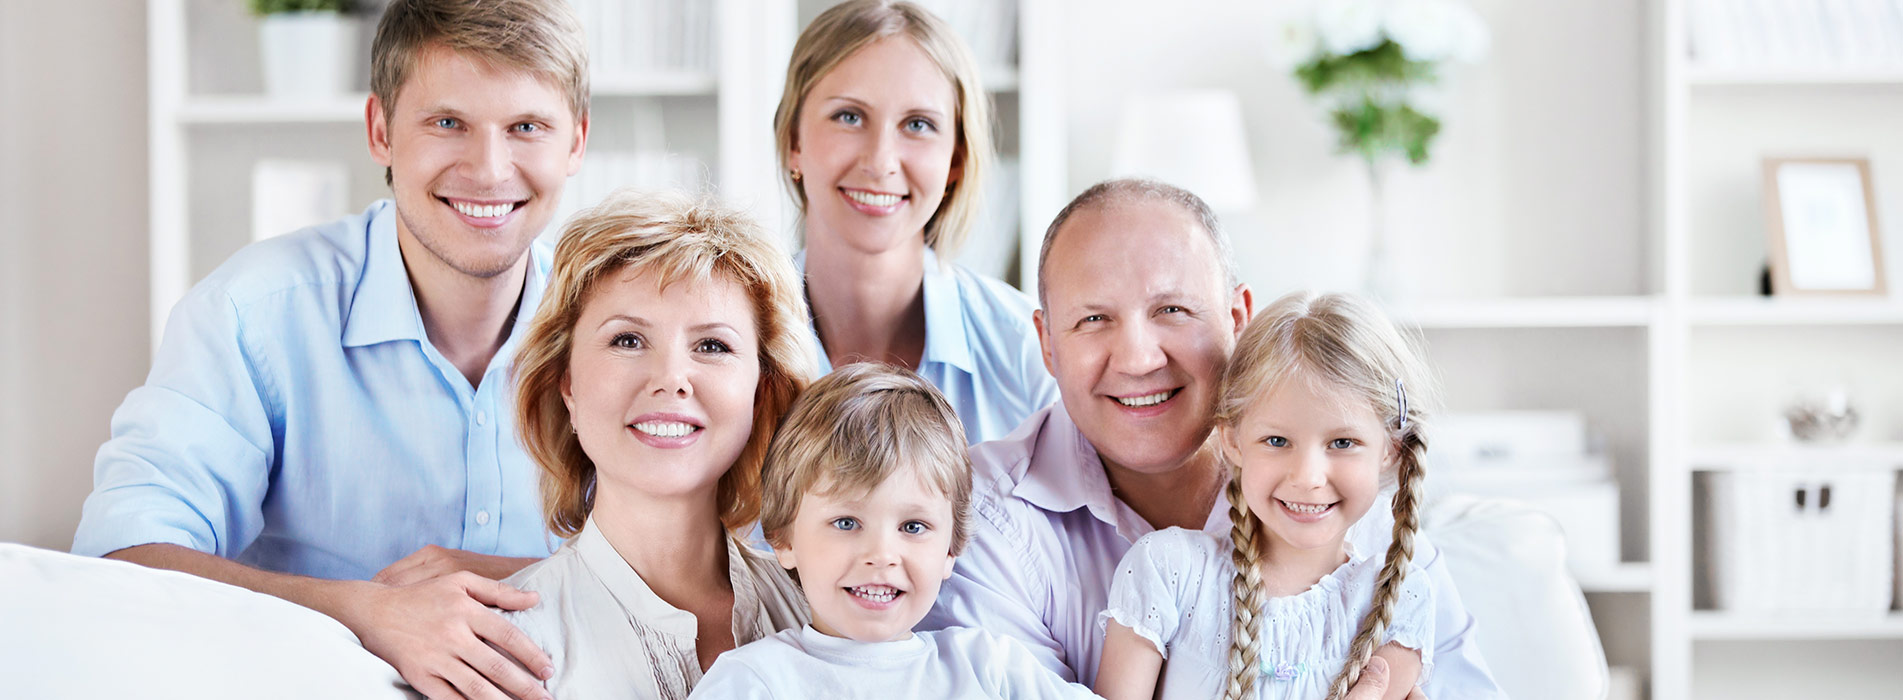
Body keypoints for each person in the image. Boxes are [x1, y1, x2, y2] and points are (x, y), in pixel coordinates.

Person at [70, 1, 588, 698]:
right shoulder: (251, 314)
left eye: (526, 128)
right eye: (447, 123)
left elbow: (725, 575)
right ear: (380, 131)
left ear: (576, 142)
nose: (490, 170)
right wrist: (365, 612)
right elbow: (119, 560)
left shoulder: (622, 331)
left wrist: (524, 577)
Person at [921, 178, 1505, 700]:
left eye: (1173, 309)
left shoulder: (1361, 517)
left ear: (1238, 317)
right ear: (1048, 344)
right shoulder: (977, 519)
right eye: (1093, 319)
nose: (1138, 358)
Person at [503, 188, 814, 698]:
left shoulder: (822, 610)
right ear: (568, 387)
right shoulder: (504, 648)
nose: (671, 378)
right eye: (627, 340)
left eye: (712, 345)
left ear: (762, 392)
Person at [1096, 292, 1438, 700]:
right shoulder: (1166, 572)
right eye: (1277, 440)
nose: (1307, 478)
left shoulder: (1401, 598)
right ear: (1232, 441)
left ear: (1390, 449)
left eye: (1343, 442)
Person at [690, 363, 1095, 699]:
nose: (882, 555)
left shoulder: (991, 668)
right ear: (783, 538)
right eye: (846, 523)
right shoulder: (753, 682)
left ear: (950, 549)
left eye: (913, 526)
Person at [774, 0, 1056, 444]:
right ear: (794, 141)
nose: (880, 162)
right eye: (849, 116)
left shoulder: (1029, 353)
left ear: (956, 160)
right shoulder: (730, 342)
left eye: (918, 124)